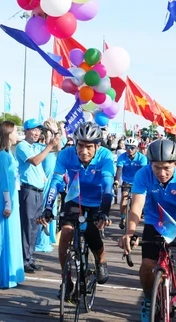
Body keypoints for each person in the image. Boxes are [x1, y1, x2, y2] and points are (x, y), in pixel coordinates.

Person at [119, 139, 176, 322]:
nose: (161, 173)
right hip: (156, 221)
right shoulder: (143, 174)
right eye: (156, 168)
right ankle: (148, 299)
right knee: (147, 265)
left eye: (166, 168)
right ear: (150, 164)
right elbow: (136, 207)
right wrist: (130, 232)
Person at [38, 122, 115, 299]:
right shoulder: (66, 154)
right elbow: (56, 182)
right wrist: (48, 207)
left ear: (97, 146)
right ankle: (66, 279)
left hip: (97, 200)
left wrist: (104, 211)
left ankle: (101, 260)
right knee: (66, 233)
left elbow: (108, 185)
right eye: (80, 146)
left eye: (89, 147)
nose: (84, 151)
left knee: (92, 235)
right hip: (75, 198)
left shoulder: (106, 156)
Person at [16, 118, 60, 273]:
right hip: (28, 191)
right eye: (33, 130)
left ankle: (30, 257)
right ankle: (23, 259)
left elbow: (56, 149)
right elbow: (35, 161)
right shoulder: (22, 146)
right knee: (27, 226)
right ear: (26, 131)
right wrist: (49, 146)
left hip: (38, 191)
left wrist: (55, 134)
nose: (36, 133)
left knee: (35, 225)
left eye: (38, 130)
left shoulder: (36, 146)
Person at [0, 121, 25, 289]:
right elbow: (3, 181)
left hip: (12, 196)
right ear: (8, 133)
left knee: (12, 235)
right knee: (4, 236)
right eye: (15, 131)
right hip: (6, 199)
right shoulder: (2, 156)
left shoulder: (9, 153)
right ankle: (3, 275)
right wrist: (7, 203)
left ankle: (12, 273)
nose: (17, 134)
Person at [36, 122, 65, 253]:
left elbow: (59, 147)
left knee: (50, 213)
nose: (52, 136)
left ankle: (47, 240)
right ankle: (40, 242)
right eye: (49, 133)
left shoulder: (52, 149)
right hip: (43, 187)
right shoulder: (39, 148)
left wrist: (57, 131)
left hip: (52, 187)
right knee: (42, 213)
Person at [116, 138, 149, 230]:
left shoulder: (142, 158)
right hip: (126, 181)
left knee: (136, 202)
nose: (129, 150)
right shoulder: (122, 157)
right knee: (124, 199)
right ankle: (123, 217)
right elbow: (119, 170)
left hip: (138, 182)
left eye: (132, 148)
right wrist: (116, 181)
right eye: (127, 147)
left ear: (136, 149)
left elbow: (143, 173)